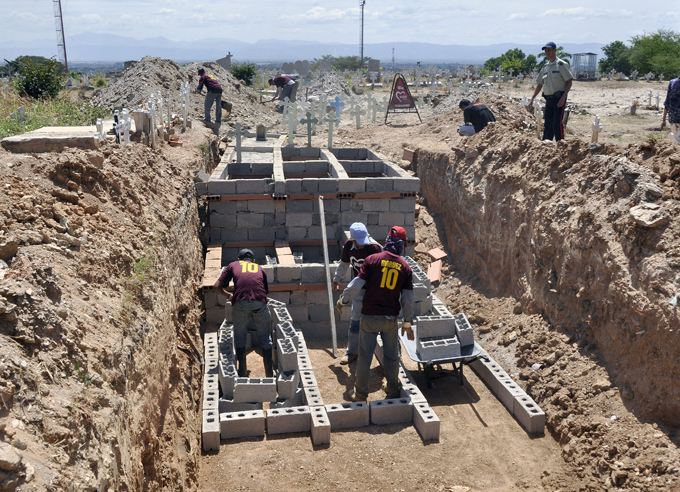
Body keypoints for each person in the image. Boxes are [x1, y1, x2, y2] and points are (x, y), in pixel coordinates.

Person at [337, 226, 414, 401]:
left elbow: (356, 284)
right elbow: (408, 299)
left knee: (364, 356)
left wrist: (344, 299)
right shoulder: (405, 267)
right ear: (402, 245)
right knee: (392, 355)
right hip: (390, 319)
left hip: (370, 316)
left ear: (387, 240)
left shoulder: (372, 260)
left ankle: (360, 393)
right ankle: (393, 389)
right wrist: (407, 321)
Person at [214, 249, 273, 377]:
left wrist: (228, 295)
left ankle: (242, 372)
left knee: (240, 337)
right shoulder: (260, 268)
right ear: (253, 261)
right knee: (265, 338)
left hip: (240, 303)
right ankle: (269, 375)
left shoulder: (233, 265)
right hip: (259, 302)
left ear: (239, 259)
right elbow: (264, 292)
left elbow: (216, 286)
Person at [332, 223, 382, 365]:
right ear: (352, 240)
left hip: (375, 290)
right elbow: (344, 264)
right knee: (355, 321)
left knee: (377, 321)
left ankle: (384, 354)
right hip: (359, 289)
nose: (361, 244)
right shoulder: (349, 246)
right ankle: (352, 352)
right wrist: (336, 279)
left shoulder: (374, 248)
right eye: (358, 242)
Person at [529, 42, 573, 141]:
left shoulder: (561, 65)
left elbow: (569, 82)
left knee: (557, 124)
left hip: (559, 98)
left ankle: (560, 145)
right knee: (548, 123)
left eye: (549, 50)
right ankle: (546, 145)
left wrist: (563, 98)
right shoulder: (545, 67)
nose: (547, 52)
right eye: (546, 51)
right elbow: (540, 84)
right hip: (549, 98)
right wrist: (532, 99)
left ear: (554, 50)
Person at [195, 68, 223, 135]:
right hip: (219, 90)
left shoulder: (203, 76)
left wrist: (196, 90)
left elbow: (200, 86)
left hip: (212, 90)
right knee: (218, 106)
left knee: (207, 105)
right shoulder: (210, 75)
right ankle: (218, 120)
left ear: (200, 73)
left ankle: (207, 119)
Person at [661, 75, 680, 144]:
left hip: (673, 118)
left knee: (676, 139)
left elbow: (667, 102)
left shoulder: (672, 82)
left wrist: (663, 120)